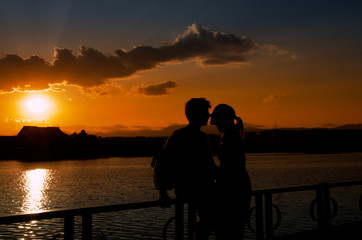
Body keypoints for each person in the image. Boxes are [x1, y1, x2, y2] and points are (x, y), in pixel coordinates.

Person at [153, 98, 217, 239]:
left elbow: (210, 166)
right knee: (213, 218)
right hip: (190, 190)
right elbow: (160, 165)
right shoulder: (179, 136)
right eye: (206, 113)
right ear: (196, 114)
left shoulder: (204, 137)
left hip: (204, 188)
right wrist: (162, 193)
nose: (208, 116)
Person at [210, 104, 252, 240]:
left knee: (228, 231)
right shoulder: (228, 136)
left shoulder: (231, 138)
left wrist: (209, 166)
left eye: (214, 116)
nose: (211, 119)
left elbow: (230, 170)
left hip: (233, 189)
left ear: (220, 119)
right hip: (236, 187)